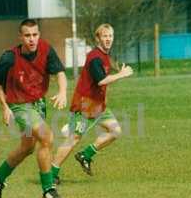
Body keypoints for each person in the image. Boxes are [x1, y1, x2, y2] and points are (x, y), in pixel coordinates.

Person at [0, 18, 67, 198]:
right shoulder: (9, 57)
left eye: (35, 35)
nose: (32, 39)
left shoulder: (46, 50)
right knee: (46, 137)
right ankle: (48, 189)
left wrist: (63, 91)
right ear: (20, 36)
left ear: (39, 35)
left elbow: (60, 73)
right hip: (20, 107)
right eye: (27, 35)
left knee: (27, 147)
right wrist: (4, 107)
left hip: (38, 105)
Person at [51, 23, 133, 182]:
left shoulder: (105, 56)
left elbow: (103, 85)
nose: (108, 39)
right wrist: (121, 74)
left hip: (98, 106)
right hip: (84, 105)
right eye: (105, 36)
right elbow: (102, 81)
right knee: (73, 139)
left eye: (110, 36)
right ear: (98, 38)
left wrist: (104, 100)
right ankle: (52, 173)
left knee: (115, 131)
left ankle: (85, 155)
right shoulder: (95, 57)